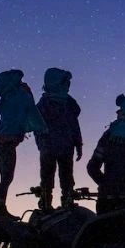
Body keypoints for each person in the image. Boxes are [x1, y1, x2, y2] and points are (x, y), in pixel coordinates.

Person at [0, 69, 46, 220]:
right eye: (19, 81)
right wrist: (43, 127)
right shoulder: (19, 98)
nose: (23, 83)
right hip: (6, 143)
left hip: (1, 142)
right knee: (7, 177)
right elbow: (31, 110)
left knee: (6, 177)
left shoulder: (6, 100)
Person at [35, 67, 83, 210]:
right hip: (49, 146)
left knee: (66, 175)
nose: (68, 86)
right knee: (47, 175)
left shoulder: (69, 103)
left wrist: (78, 144)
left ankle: (67, 198)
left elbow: (75, 125)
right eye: (65, 82)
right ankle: (46, 201)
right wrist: (41, 141)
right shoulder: (44, 104)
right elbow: (37, 125)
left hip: (65, 146)